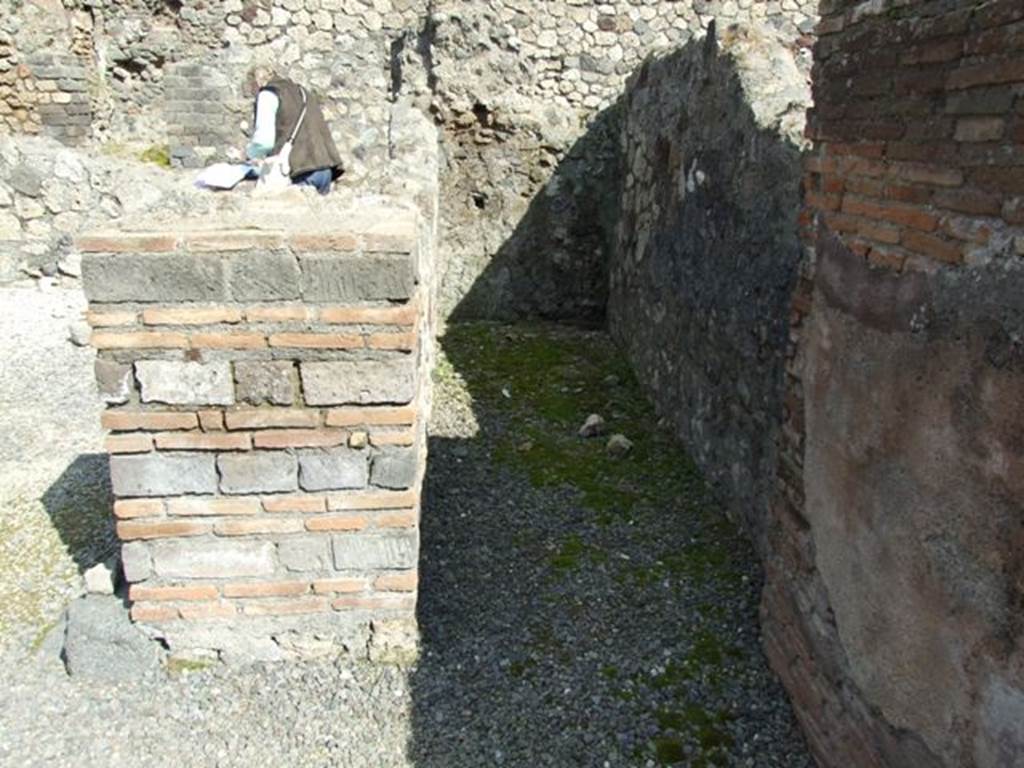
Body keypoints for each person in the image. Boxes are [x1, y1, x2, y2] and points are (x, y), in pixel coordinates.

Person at [244, 67, 343, 194]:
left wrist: (250, 155)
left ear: (255, 82)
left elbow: (263, 141)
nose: (253, 94)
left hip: (299, 171)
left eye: (251, 89)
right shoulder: (302, 92)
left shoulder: (268, 94)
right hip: (325, 169)